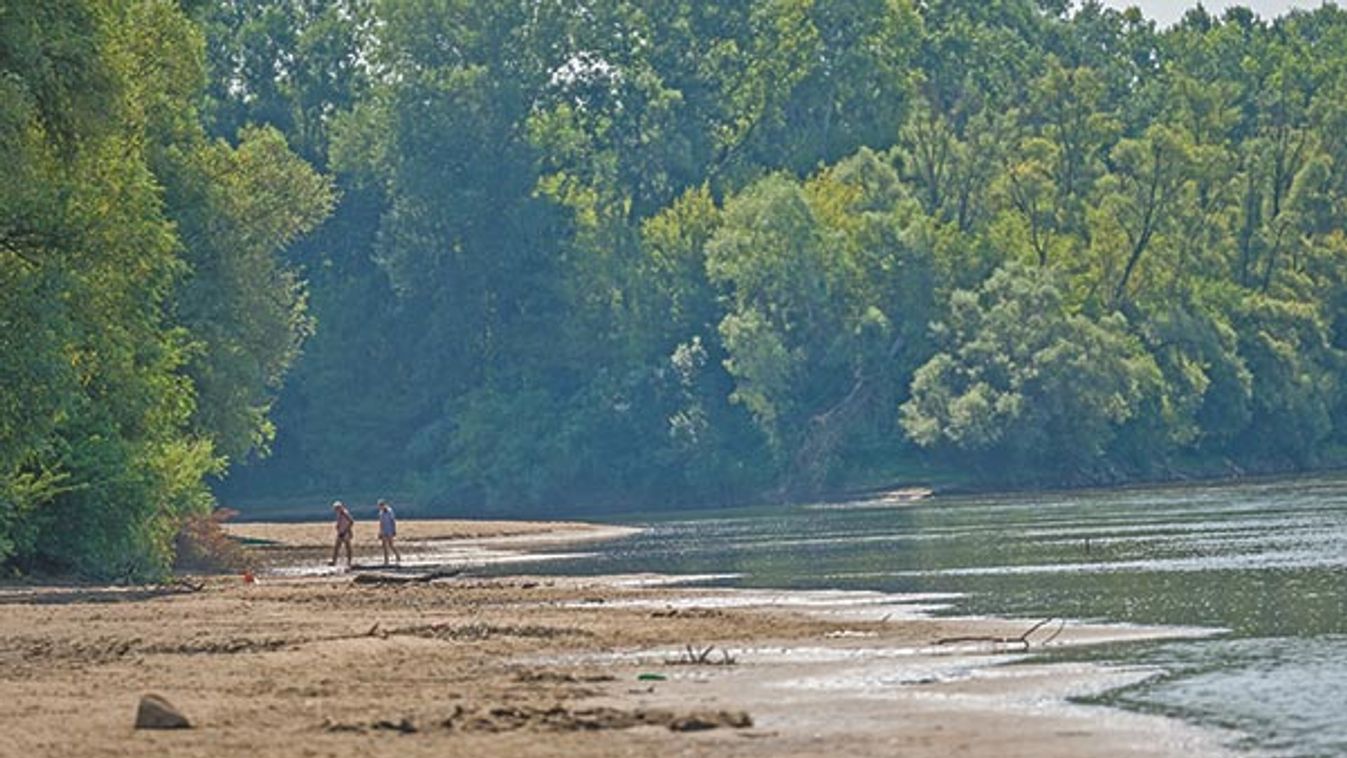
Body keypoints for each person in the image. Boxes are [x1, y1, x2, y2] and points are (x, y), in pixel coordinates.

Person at [377, 498, 401, 566]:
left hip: (389, 530)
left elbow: (393, 521)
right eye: (380, 505)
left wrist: (394, 530)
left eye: (381, 505)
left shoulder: (390, 511)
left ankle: (397, 556)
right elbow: (381, 523)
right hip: (384, 530)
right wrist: (380, 532)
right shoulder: (380, 513)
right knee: (384, 546)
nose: (381, 507)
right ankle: (386, 560)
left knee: (391, 545)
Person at [330, 500, 354, 567]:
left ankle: (349, 562)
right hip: (340, 532)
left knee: (347, 547)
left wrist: (346, 530)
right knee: (337, 547)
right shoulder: (339, 513)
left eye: (337, 508)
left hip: (345, 532)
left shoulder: (345, 513)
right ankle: (334, 561)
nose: (336, 509)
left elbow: (351, 521)